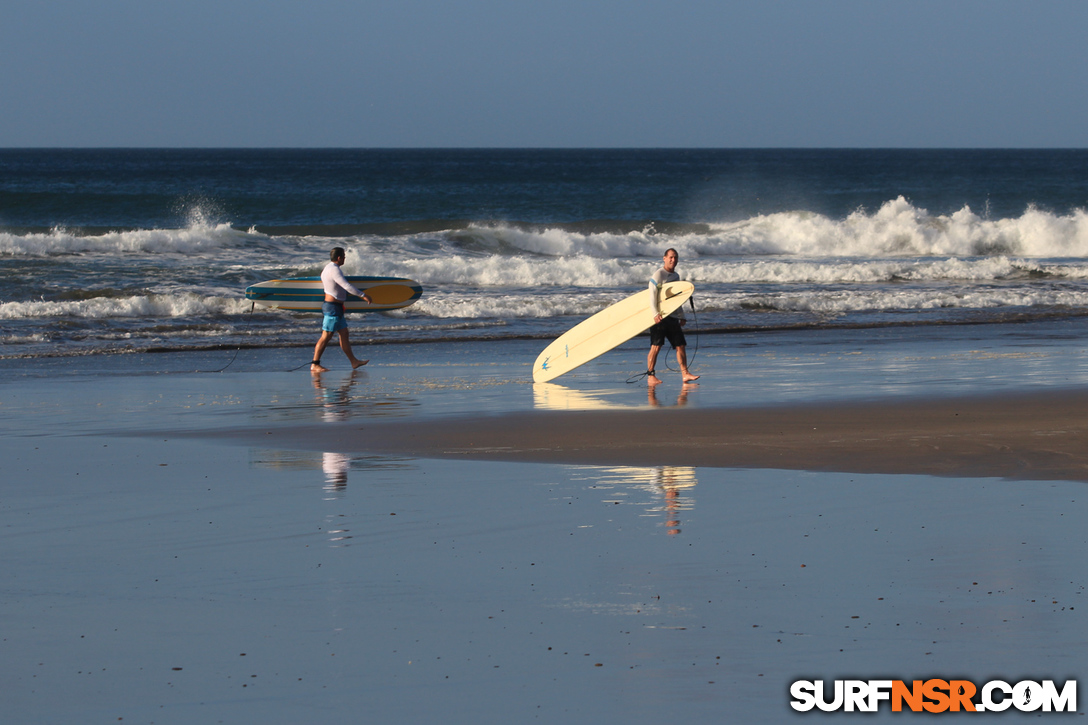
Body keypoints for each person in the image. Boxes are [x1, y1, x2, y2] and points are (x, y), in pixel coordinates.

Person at [311, 247, 372, 373]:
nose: (344, 258)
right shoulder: (334, 270)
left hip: (335, 308)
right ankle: (315, 364)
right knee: (326, 336)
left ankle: (354, 362)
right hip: (332, 308)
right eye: (343, 256)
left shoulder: (327, 268)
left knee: (344, 334)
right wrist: (363, 295)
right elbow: (346, 286)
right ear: (339, 258)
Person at [646, 248, 700, 386]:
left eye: (675, 257)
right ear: (664, 258)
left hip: (672, 316)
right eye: (670, 257)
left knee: (680, 345)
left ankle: (685, 373)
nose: (673, 260)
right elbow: (651, 295)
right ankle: (651, 375)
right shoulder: (659, 274)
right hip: (660, 316)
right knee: (656, 346)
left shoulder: (676, 276)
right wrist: (655, 314)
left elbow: (676, 299)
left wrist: (681, 315)